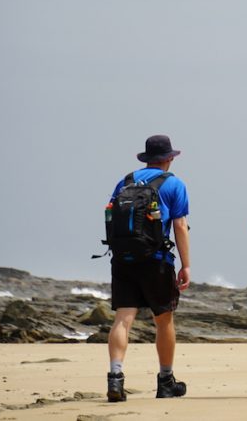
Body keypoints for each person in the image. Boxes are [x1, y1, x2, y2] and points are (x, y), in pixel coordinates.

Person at [105, 135, 191, 402]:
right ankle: (166, 381)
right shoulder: (174, 184)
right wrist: (186, 265)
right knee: (163, 319)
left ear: (146, 158)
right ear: (169, 158)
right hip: (156, 260)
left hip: (123, 258)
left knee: (123, 318)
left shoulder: (126, 181)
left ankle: (116, 378)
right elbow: (179, 226)